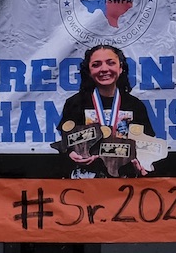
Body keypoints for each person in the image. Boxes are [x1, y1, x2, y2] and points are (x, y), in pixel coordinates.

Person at [55, 44, 162, 178]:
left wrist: (143, 163)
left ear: (121, 67)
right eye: (96, 64)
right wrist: (71, 154)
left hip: (125, 181)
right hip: (85, 182)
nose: (104, 69)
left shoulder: (135, 105)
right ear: (88, 70)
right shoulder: (75, 103)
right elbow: (66, 142)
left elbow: (147, 144)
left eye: (111, 63)